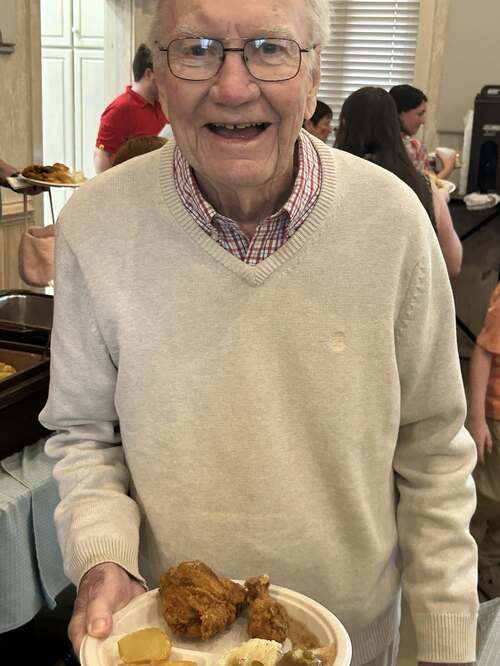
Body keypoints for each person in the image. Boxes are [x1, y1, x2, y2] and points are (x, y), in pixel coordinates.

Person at [40, 1, 478, 665]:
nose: (233, 86)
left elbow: (434, 453)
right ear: (159, 73)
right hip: (176, 644)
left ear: (313, 74)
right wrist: (104, 558)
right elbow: (85, 435)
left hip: (354, 642)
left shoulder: (392, 221)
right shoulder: (95, 224)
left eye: (270, 49)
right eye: (196, 49)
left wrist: (445, 647)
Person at [335, 87, 462, 278]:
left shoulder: (325, 181)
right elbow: (453, 264)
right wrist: (440, 198)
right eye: (420, 113)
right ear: (395, 122)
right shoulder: (423, 187)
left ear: (345, 124)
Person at [467, 282, 500, 600]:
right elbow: (484, 351)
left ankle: (489, 571)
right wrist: (477, 420)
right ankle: (476, 579)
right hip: (497, 419)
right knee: (486, 502)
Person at [94, 44, 168, 173]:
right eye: (164, 74)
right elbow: (102, 155)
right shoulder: (120, 108)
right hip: (130, 180)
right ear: (149, 73)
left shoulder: (161, 105)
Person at [389, 84, 456, 180]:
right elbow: (426, 187)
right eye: (420, 114)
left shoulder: (376, 142)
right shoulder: (413, 146)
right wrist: (448, 168)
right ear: (400, 114)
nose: (423, 121)